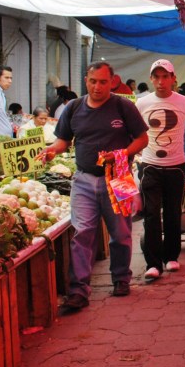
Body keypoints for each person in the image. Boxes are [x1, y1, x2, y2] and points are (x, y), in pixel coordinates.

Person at [40, 62, 148, 311]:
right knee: (82, 233)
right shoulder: (74, 108)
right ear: (85, 81)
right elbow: (63, 140)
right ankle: (78, 291)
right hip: (83, 179)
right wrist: (52, 151)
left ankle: (121, 278)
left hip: (119, 176)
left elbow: (142, 139)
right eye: (92, 81)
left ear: (112, 81)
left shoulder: (124, 106)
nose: (97, 86)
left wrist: (122, 154)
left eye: (102, 81)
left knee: (120, 233)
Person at [136, 60, 185, 281]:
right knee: (152, 214)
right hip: (150, 166)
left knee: (173, 214)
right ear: (151, 79)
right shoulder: (141, 104)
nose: (161, 82)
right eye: (157, 77)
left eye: (166, 77)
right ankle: (153, 263)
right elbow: (135, 132)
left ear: (174, 79)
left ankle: (171, 256)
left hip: (176, 167)